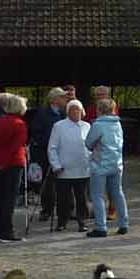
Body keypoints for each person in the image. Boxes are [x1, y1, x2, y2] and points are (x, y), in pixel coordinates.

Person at [0, 94, 30, 240]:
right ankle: (6, 230)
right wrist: (2, 164)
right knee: (9, 199)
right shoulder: (20, 124)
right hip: (13, 163)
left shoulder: (1, 120)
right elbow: (15, 147)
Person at [85, 98, 129, 238]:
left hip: (100, 164)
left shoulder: (98, 125)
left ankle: (101, 227)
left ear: (99, 110)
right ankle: (123, 224)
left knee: (97, 195)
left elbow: (88, 143)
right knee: (118, 193)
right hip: (116, 164)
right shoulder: (117, 124)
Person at [48, 99, 94, 232]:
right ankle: (62, 222)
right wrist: (56, 165)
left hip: (83, 168)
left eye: (78, 110)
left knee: (82, 198)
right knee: (63, 198)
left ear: (82, 112)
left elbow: (91, 147)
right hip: (64, 169)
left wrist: (92, 162)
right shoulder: (59, 126)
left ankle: (82, 221)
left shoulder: (87, 126)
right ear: (68, 112)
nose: (75, 112)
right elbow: (52, 148)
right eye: (72, 110)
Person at [29, 89, 67, 219]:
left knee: (62, 183)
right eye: (62, 97)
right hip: (45, 153)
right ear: (54, 99)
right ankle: (47, 209)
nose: (65, 100)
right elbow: (36, 133)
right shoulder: (42, 114)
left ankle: (65, 210)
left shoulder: (64, 113)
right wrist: (51, 143)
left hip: (62, 153)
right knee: (47, 184)